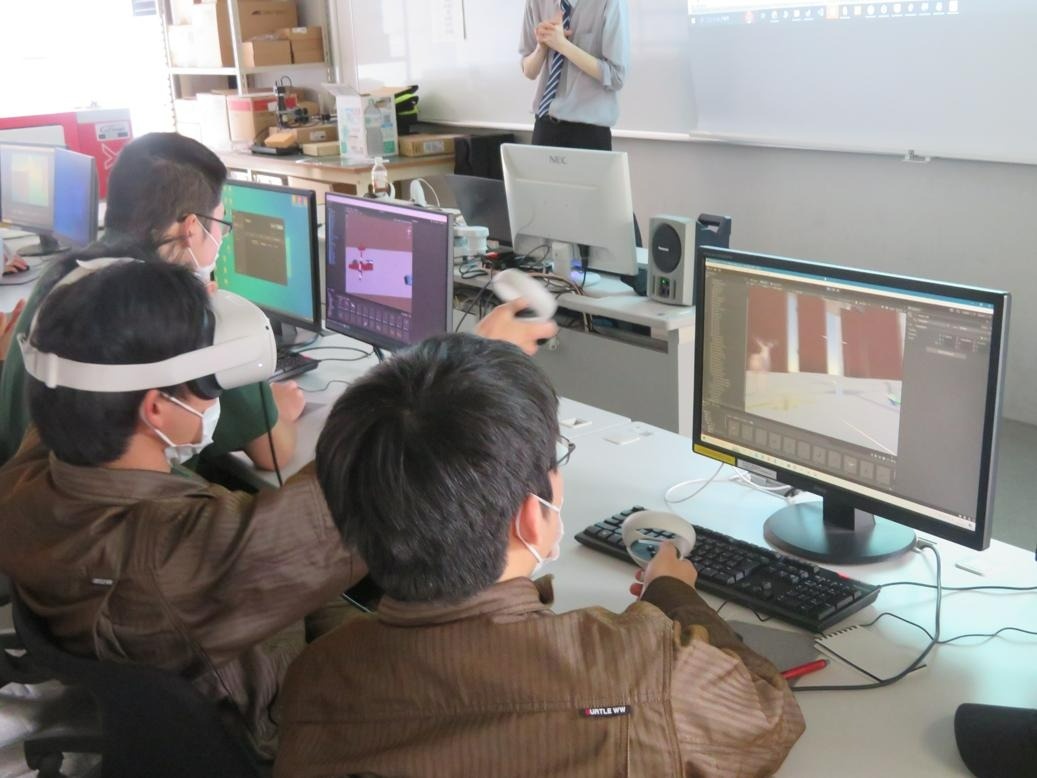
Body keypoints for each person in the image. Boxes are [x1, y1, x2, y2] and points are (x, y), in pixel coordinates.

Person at [274, 334, 805, 777]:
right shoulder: (645, 671)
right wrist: (674, 594)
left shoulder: (313, 681)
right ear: (531, 517)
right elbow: (769, 714)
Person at [0, 257, 367, 759]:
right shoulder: (181, 551)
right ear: (155, 408)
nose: (212, 396)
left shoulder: (27, 476)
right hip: (271, 718)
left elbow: (80, 350)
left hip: (182, 656)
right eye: (207, 381)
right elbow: (360, 491)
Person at [0, 133, 305, 467]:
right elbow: (275, 453)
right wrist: (279, 410)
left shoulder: (65, 279)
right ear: (191, 228)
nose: (221, 235)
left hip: (33, 482)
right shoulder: (174, 321)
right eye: (220, 222)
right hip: (120, 495)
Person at [520, 0, 630, 150]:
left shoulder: (610, 2)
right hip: (544, 125)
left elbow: (616, 76)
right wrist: (542, 46)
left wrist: (563, 45)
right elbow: (528, 71)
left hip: (588, 132)